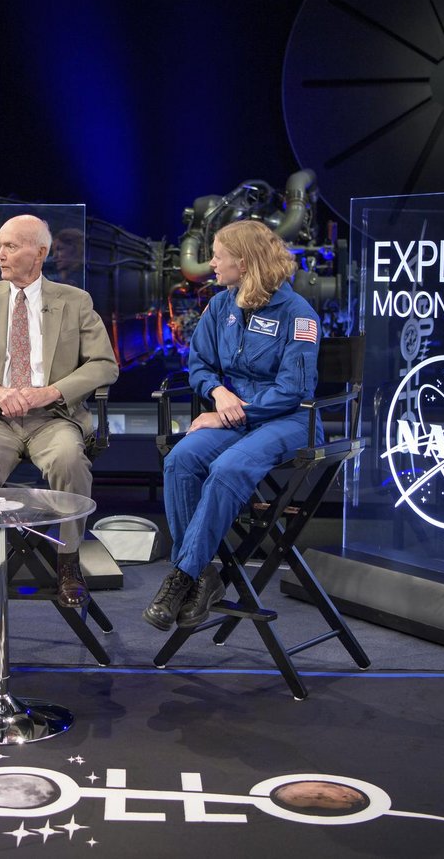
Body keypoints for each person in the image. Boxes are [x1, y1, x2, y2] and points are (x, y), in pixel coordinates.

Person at [144, 219, 320, 630]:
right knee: (181, 460)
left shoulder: (297, 313)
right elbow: (199, 364)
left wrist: (230, 412)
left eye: (218, 256)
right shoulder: (221, 305)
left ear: (243, 262)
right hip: (235, 415)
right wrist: (218, 394)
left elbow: (293, 390)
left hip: (288, 420)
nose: (210, 263)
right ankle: (203, 576)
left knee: (226, 468)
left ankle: (181, 577)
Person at [0, 213, 118, 613]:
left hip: (53, 418)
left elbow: (105, 365)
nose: (0, 254)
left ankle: (68, 561)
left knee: (71, 460)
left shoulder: (75, 301)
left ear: (40, 253)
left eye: (11, 246)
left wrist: (50, 392)